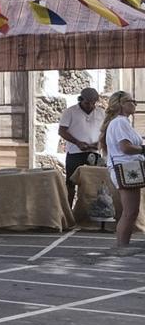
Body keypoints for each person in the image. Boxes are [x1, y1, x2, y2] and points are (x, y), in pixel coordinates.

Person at [101, 90, 141, 248]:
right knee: (129, 211)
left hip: (129, 167)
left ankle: (124, 244)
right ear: (122, 105)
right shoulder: (119, 122)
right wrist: (142, 149)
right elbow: (125, 147)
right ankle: (121, 246)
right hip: (126, 167)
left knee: (132, 211)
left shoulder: (122, 122)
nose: (135, 104)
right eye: (131, 101)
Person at [58, 87, 104, 179]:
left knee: (93, 180)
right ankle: (70, 194)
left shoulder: (101, 113)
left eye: (93, 103)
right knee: (71, 181)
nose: (90, 105)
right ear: (80, 99)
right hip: (74, 152)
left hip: (94, 152)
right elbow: (62, 131)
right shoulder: (70, 111)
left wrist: (100, 143)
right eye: (87, 103)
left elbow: (106, 131)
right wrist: (77, 142)